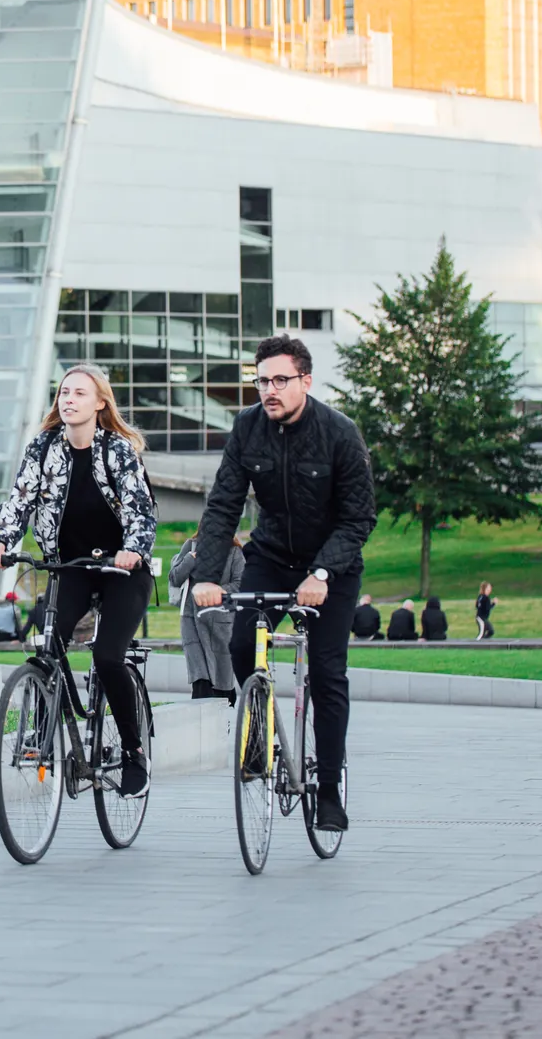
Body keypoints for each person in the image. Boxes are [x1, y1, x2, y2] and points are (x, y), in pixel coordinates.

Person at [189, 335, 377, 834]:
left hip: (329, 566)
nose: (268, 390)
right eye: (261, 381)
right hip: (271, 555)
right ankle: (258, 737)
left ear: (305, 382)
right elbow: (224, 505)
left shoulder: (340, 433)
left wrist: (322, 573)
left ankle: (331, 790)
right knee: (241, 642)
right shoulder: (247, 428)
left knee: (327, 672)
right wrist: (207, 575)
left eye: (279, 380)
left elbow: (360, 518)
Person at [0, 363, 158, 796]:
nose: (68, 399)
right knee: (47, 644)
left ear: (100, 402)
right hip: (70, 567)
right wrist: (0, 542)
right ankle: (40, 736)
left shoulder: (117, 450)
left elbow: (140, 508)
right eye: (63, 392)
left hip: (122, 570)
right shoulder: (43, 448)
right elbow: (19, 501)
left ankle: (135, 753)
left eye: (79, 393)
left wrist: (133, 549)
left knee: (108, 657)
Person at [172, 533, 245, 703]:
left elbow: (240, 584)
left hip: (222, 622)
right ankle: (201, 726)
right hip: (192, 620)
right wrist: (190, 560)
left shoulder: (234, 552)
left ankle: (223, 722)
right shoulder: (191, 546)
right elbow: (175, 578)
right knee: (201, 681)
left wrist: (216, 591)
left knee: (222, 681)